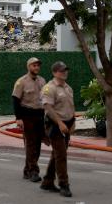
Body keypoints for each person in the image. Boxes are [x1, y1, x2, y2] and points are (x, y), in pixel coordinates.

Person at [40, 61, 75, 197]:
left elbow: (71, 107)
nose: (65, 72)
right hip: (55, 125)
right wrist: (60, 123)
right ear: (54, 73)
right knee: (61, 155)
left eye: (66, 70)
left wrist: (73, 122)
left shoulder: (68, 88)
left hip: (67, 125)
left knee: (57, 154)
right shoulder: (49, 88)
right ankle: (64, 185)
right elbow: (48, 109)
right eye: (61, 71)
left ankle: (47, 182)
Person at [12, 57, 46, 182]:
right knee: (31, 144)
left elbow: (45, 98)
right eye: (34, 65)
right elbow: (15, 100)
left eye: (38, 65)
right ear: (28, 67)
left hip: (40, 116)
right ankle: (33, 171)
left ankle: (27, 170)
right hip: (27, 116)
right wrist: (18, 118)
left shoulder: (42, 81)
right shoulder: (21, 82)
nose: (36, 67)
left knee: (37, 145)